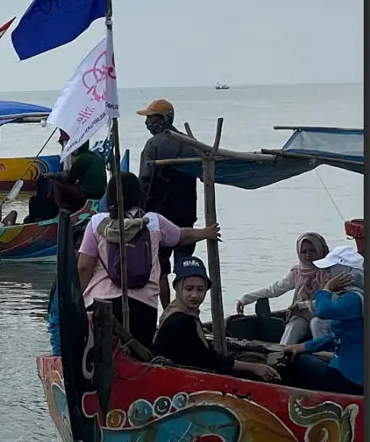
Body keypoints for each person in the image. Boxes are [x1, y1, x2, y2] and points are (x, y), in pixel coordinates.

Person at [78, 172, 220, 348]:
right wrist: (205, 233)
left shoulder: (96, 223)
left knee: (94, 355)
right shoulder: (152, 221)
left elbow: (84, 268)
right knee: (139, 357)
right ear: (139, 195)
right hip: (143, 307)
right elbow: (181, 237)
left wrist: (75, 301)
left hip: (100, 304)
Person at [154, 256, 281, 382]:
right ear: (178, 288)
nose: (195, 295)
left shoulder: (179, 312)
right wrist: (253, 367)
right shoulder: (180, 320)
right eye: (189, 288)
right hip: (180, 380)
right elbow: (210, 361)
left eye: (200, 289)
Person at [137, 99, 200, 309]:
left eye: (151, 118)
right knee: (184, 266)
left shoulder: (153, 145)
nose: (147, 123)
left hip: (160, 217)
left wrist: (140, 212)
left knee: (161, 270)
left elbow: (144, 181)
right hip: (186, 216)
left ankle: (168, 311)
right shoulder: (190, 142)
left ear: (164, 119)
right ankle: (185, 309)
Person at [281, 246, 363, 396]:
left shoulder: (354, 299)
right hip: (347, 372)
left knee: (298, 363)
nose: (327, 273)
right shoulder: (353, 296)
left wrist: (326, 289)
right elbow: (336, 338)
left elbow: (322, 311)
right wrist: (302, 346)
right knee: (300, 355)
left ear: (345, 272)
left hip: (350, 378)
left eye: (330, 270)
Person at [236, 232, 332, 344]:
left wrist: (302, 305)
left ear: (321, 250)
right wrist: (246, 298)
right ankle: (281, 356)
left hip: (326, 317)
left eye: (312, 251)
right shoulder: (297, 272)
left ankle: (325, 356)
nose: (307, 255)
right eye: (303, 251)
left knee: (316, 323)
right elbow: (274, 289)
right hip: (304, 315)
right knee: (293, 325)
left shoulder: (330, 272)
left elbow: (331, 301)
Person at [45, 131, 107, 212]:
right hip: (101, 193)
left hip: (88, 194)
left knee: (56, 182)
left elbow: (69, 179)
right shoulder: (97, 156)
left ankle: (62, 209)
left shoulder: (82, 159)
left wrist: (54, 175)